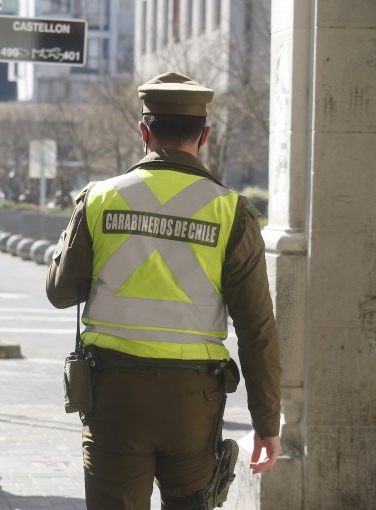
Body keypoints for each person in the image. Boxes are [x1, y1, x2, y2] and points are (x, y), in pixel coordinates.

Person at [46, 72, 282, 509]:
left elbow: (61, 293)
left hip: (114, 397)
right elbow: (257, 327)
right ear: (205, 135)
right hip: (193, 401)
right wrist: (266, 422)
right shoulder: (232, 211)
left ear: (143, 131)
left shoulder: (99, 199)